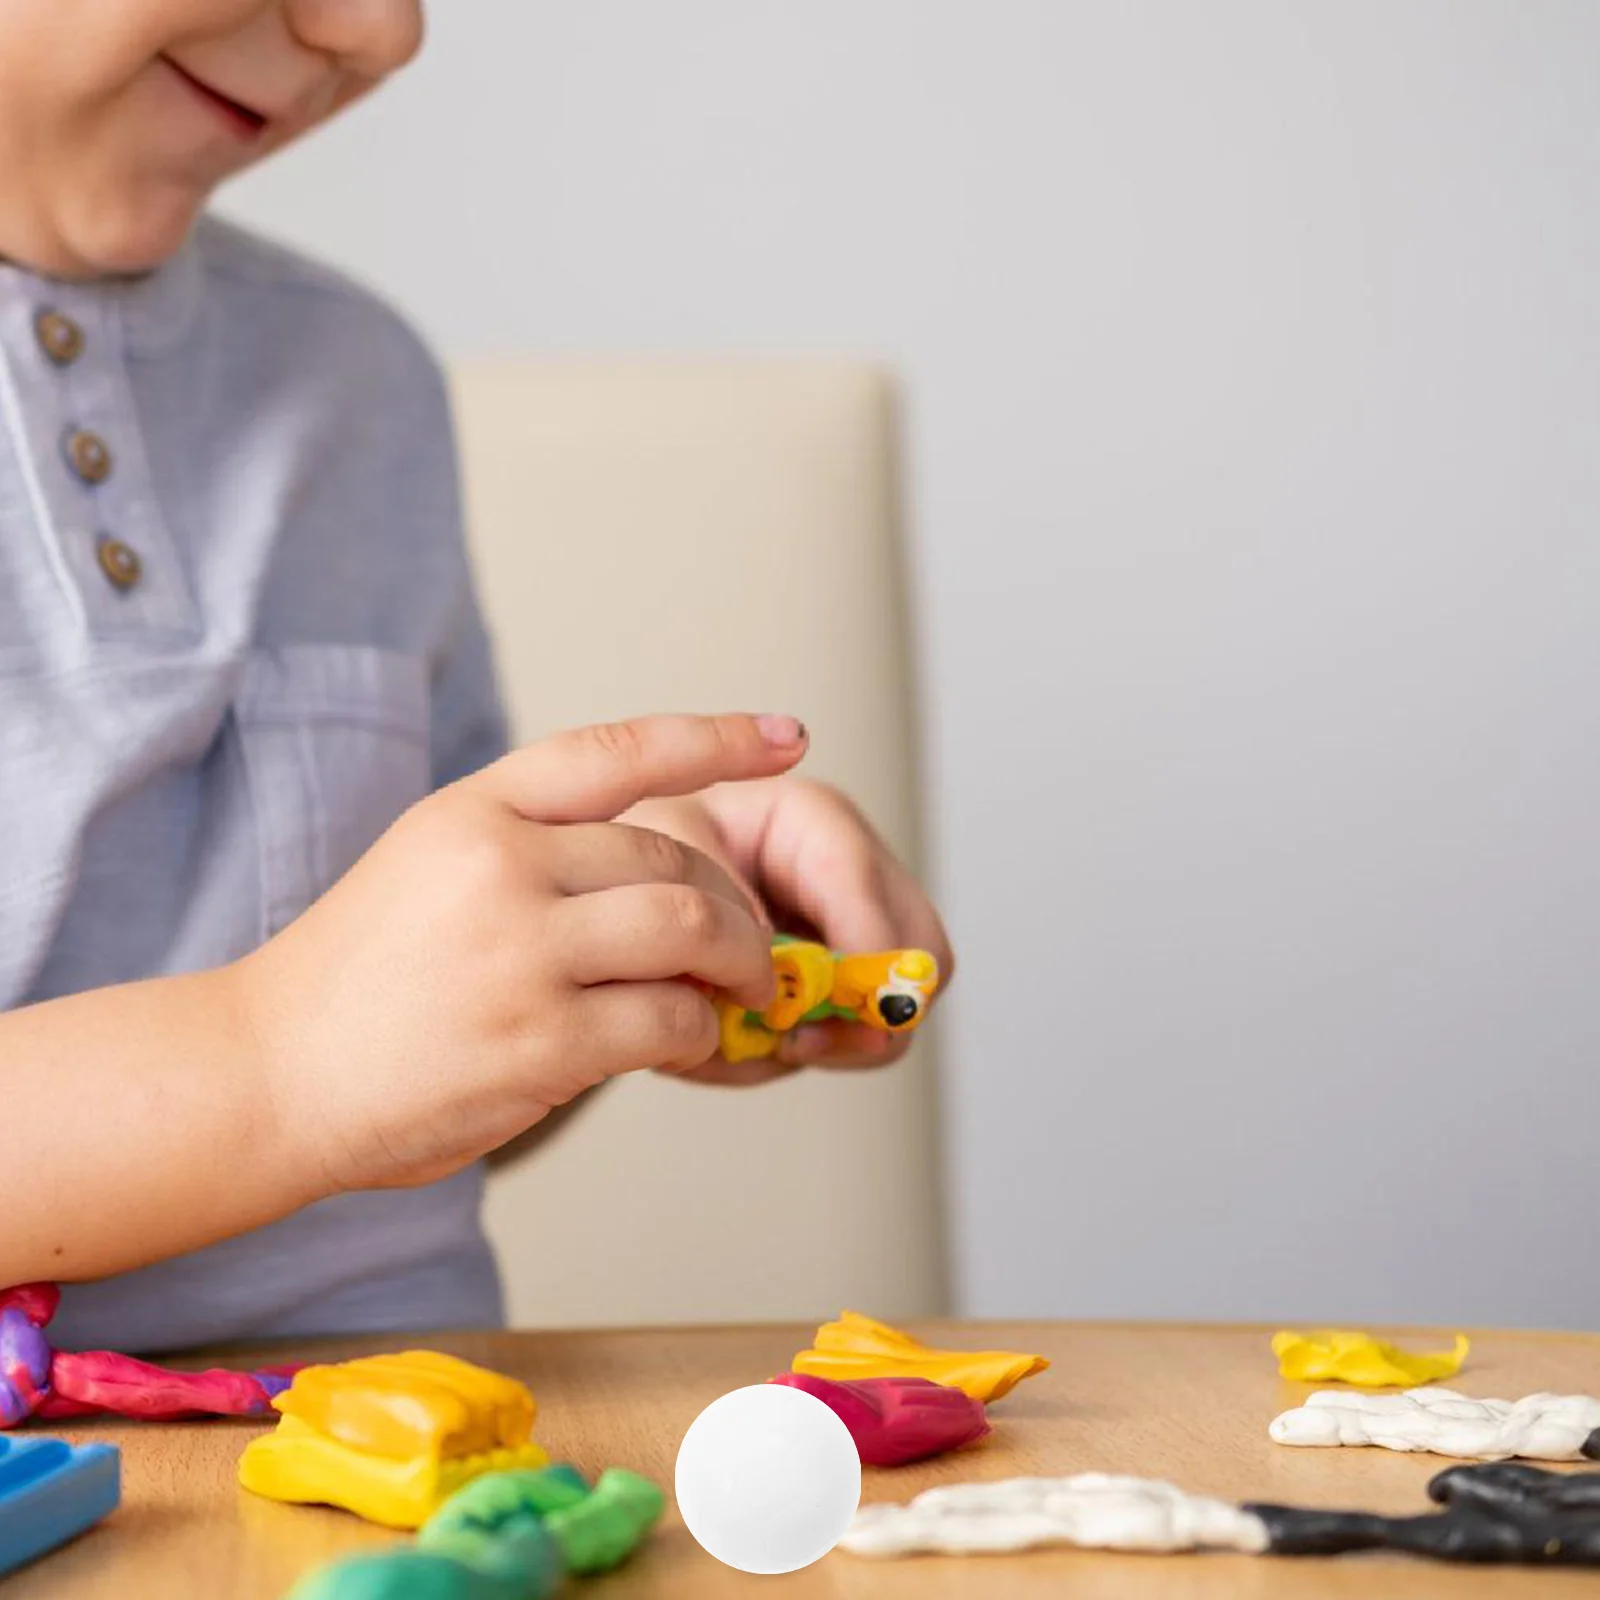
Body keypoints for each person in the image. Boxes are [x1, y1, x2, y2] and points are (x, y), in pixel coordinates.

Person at [0, 0, 952, 1352]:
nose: (383, 36)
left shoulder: (352, 382)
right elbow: (323, 1063)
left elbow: (411, 1096)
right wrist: (280, 1060)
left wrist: (621, 923)